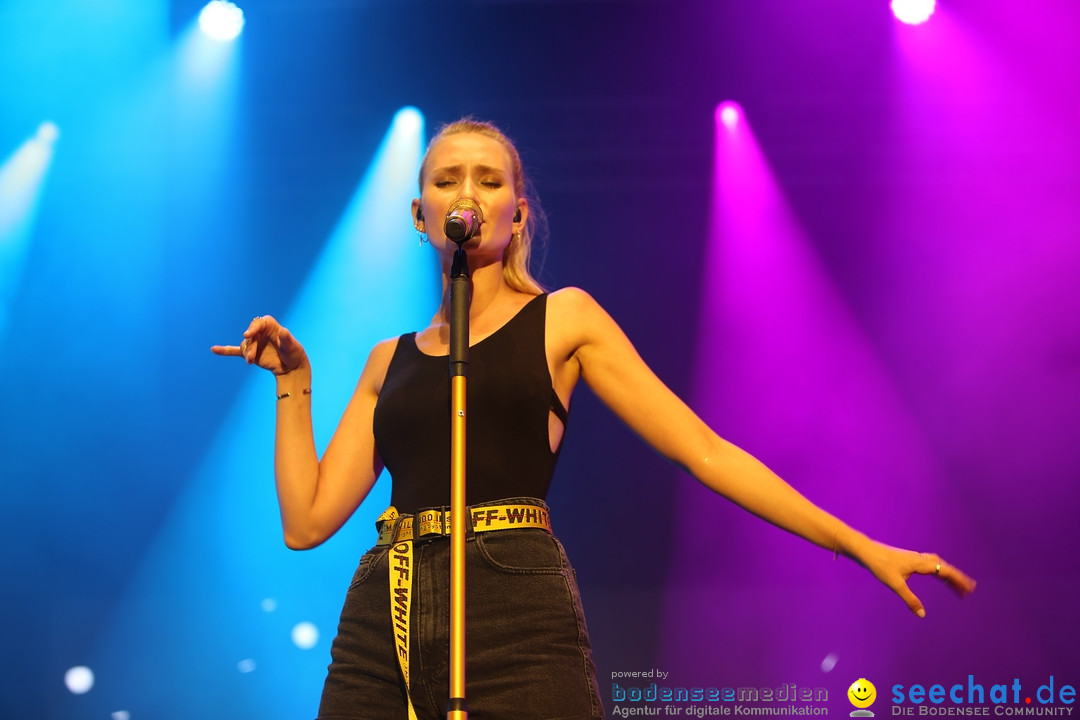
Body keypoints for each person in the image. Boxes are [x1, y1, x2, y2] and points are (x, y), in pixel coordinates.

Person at [212, 119, 976, 720]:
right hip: (391, 611)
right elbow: (308, 521)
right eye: (446, 179)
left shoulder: (564, 318)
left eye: (488, 178)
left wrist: (855, 543)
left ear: (517, 212)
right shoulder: (388, 361)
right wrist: (296, 382)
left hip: (515, 603)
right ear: (421, 214)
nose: (466, 191)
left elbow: (703, 451)